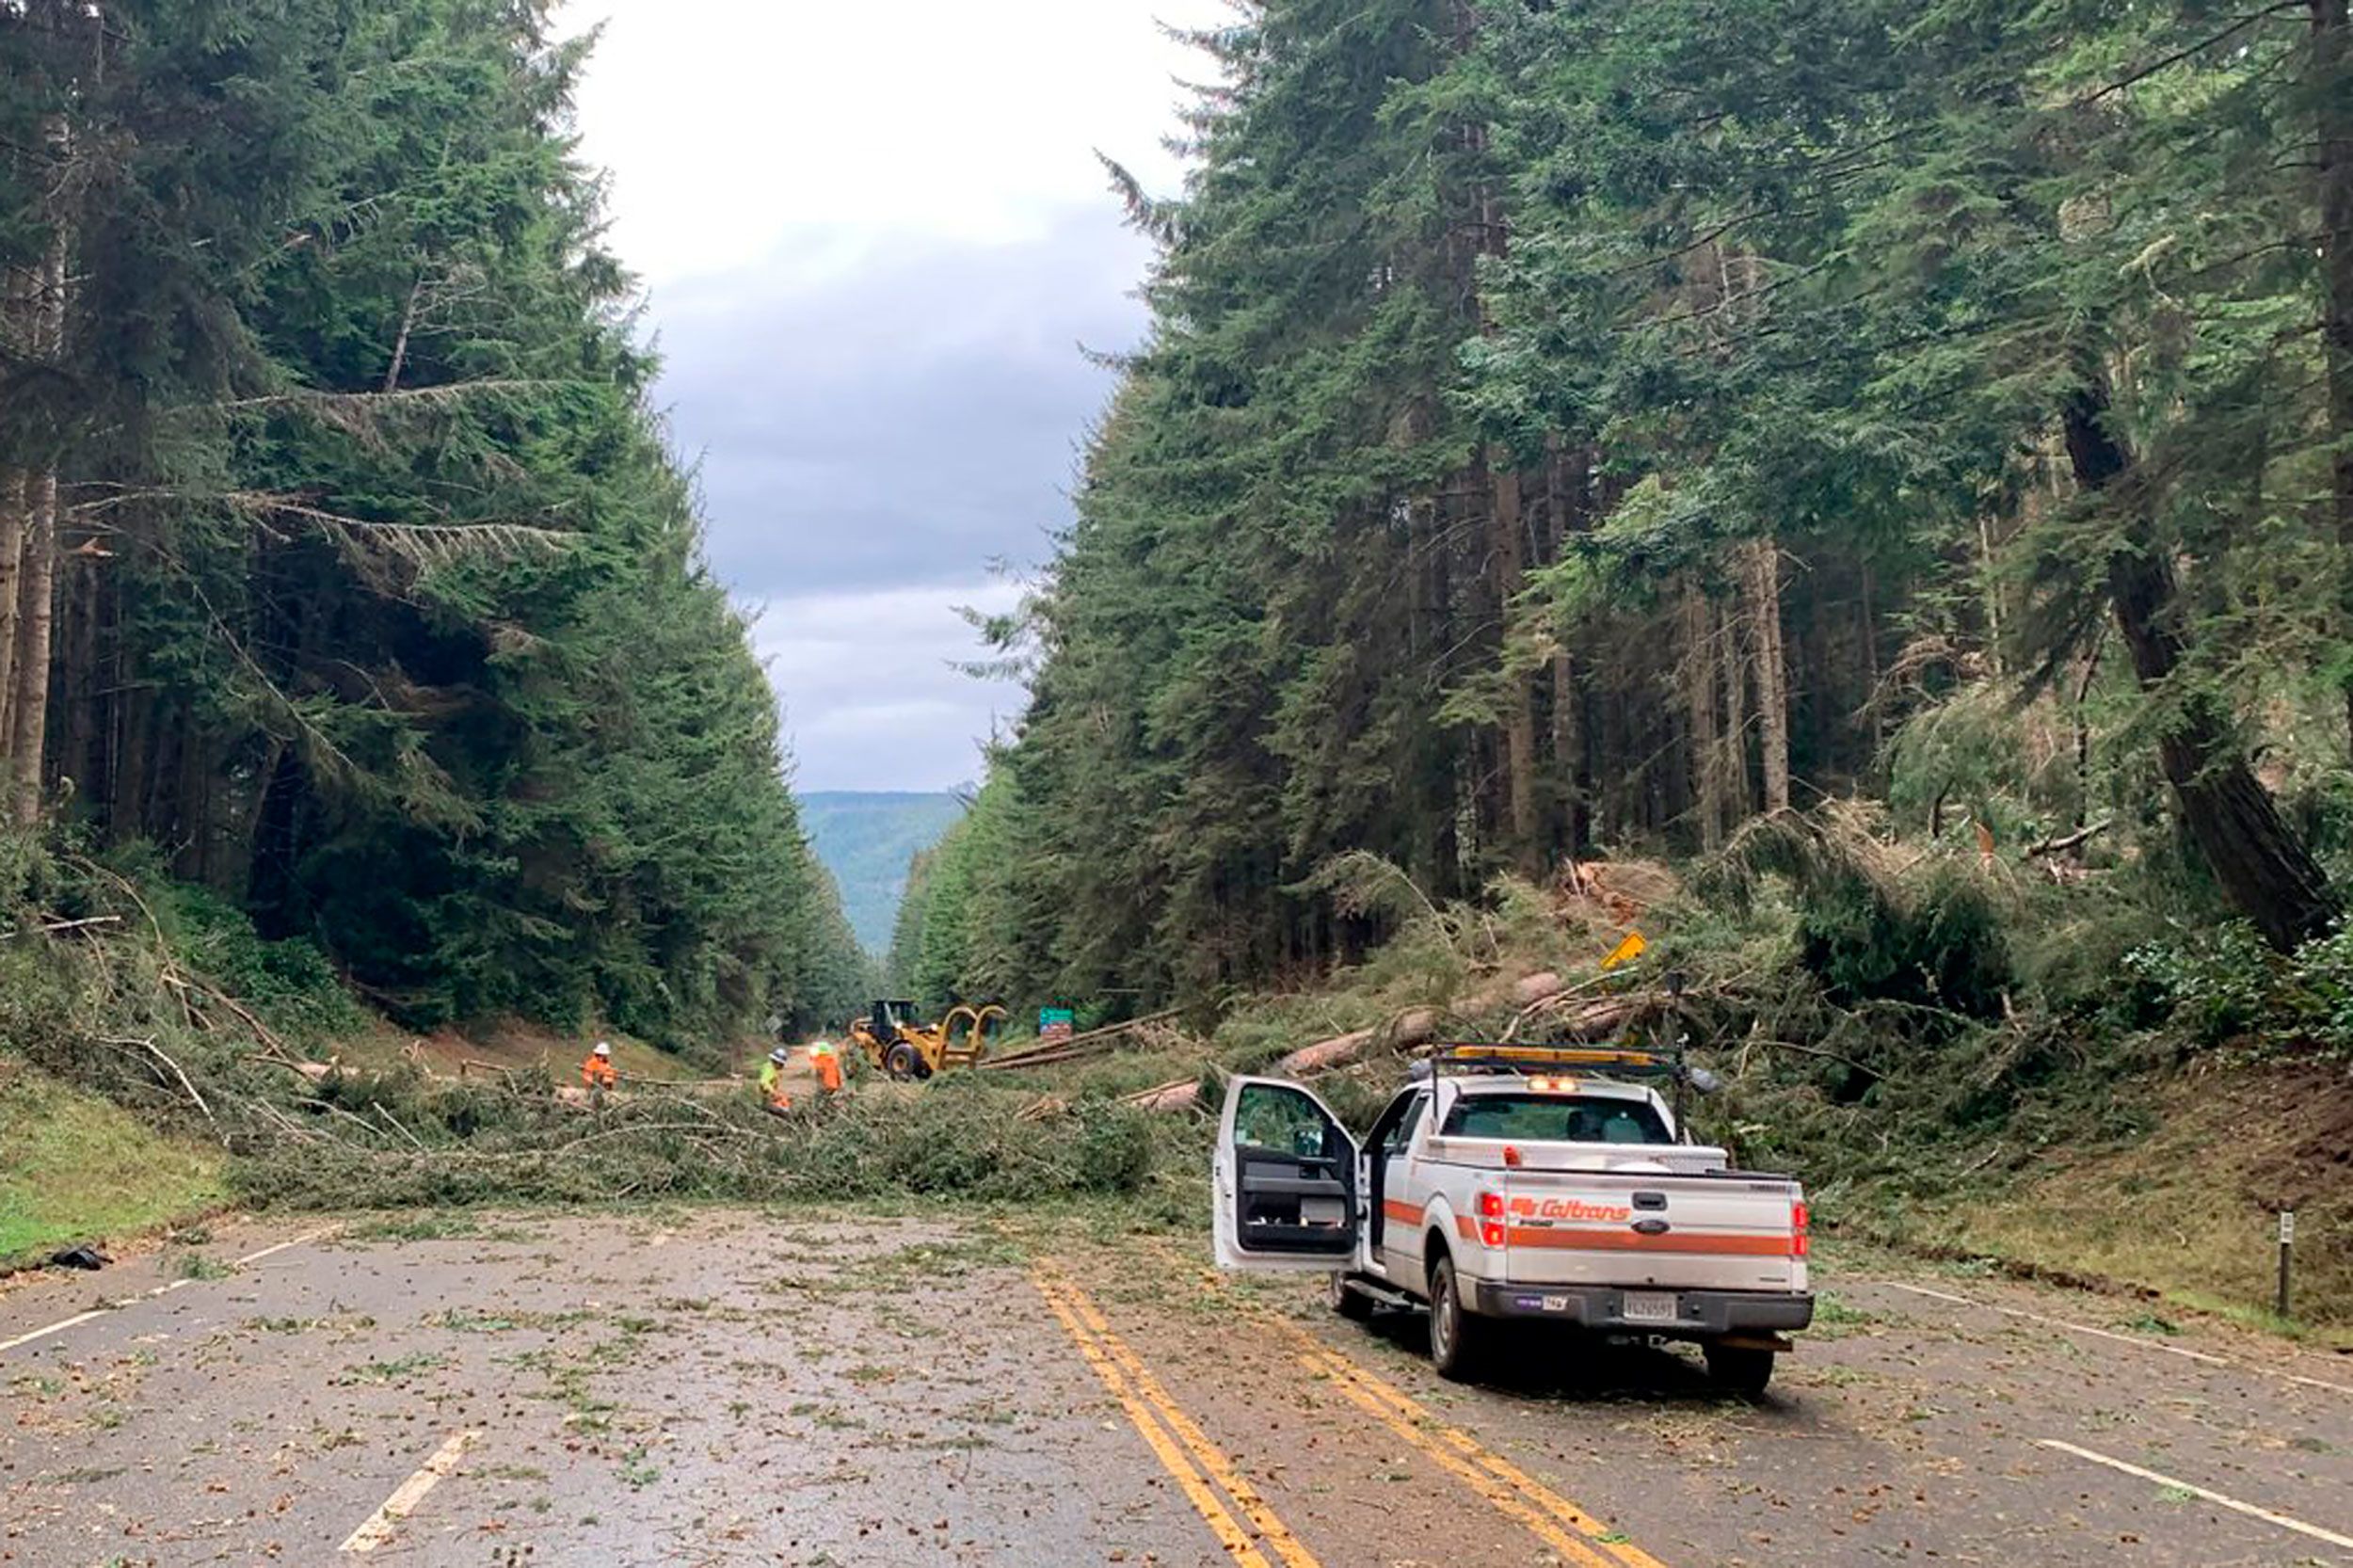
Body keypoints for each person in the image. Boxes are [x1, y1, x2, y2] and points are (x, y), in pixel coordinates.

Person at [758, 1045, 792, 1114]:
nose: (782, 1066)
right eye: (781, 1064)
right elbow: (763, 1082)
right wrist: (773, 1092)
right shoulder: (769, 1069)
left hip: (767, 1098)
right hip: (765, 1099)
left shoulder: (771, 1068)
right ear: (777, 1062)